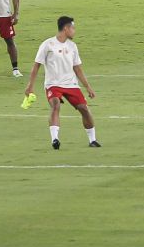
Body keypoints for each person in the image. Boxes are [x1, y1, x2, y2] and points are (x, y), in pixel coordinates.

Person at [25, 16, 100, 149]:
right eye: (73, 28)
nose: (74, 31)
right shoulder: (47, 44)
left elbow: (77, 68)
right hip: (53, 84)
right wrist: (30, 86)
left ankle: (92, 140)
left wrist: (88, 87)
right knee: (55, 105)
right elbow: (36, 66)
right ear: (66, 28)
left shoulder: (72, 46)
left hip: (71, 84)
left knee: (84, 109)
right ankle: (55, 139)